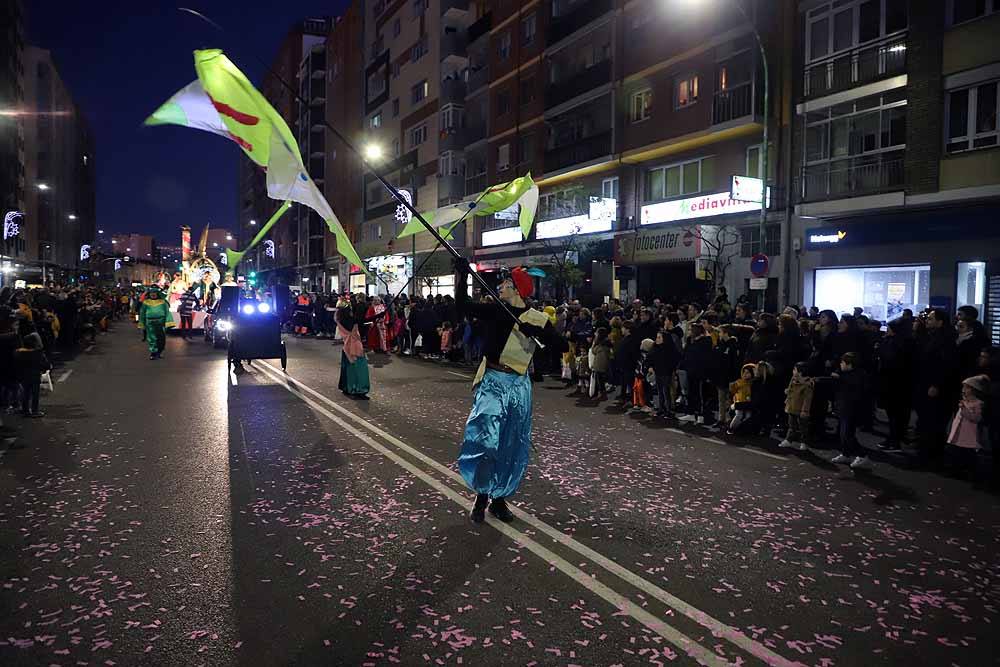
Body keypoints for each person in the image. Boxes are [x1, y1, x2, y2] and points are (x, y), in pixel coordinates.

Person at [453, 261, 567, 523]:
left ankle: (499, 499)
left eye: (505, 284)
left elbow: (561, 345)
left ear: (517, 289)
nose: (500, 287)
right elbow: (462, 306)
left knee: (510, 445)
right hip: (492, 381)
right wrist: (461, 275)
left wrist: (537, 331)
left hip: (517, 387)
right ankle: (481, 495)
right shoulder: (496, 310)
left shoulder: (536, 318)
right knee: (485, 440)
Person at [876, 319, 915, 452]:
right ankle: (894, 438)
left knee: (895, 413)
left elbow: (888, 358)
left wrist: (882, 345)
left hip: (894, 382)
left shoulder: (897, 343)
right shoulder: (906, 341)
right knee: (897, 414)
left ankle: (894, 441)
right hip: (899, 382)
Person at [830, 352, 873, 470]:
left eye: (842, 362)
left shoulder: (859, 376)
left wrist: (841, 379)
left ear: (849, 364)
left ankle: (862, 455)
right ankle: (845, 454)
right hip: (843, 408)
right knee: (842, 434)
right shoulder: (843, 373)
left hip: (852, 410)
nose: (840, 364)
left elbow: (858, 390)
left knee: (847, 434)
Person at [945, 374, 989, 479]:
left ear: (973, 390)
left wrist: (964, 410)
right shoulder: (964, 401)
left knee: (967, 454)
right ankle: (955, 470)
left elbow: (976, 418)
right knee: (956, 453)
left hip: (969, 435)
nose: (963, 390)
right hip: (959, 433)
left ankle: (972, 472)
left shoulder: (978, 404)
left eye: (966, 387)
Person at [335, 297, 370, 399]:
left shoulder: (340, 319)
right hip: (354, 346)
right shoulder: (349, 320)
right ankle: (357, 389)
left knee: (348, 369)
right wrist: (376, 316)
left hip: (347, 347)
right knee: (358, 369)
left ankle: (347, 387)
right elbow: (361, 321)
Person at [14, 332, 51, 418]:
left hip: (23, 376)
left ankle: (25, 410)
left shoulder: (19, 353)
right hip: (34, 376)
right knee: (35, 394)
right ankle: (35, 411)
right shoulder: (37, 354)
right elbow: (45, 365)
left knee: (25, 393)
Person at [779, 362, 814, 450]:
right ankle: (788, 440)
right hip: (792, 406)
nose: (793, 371)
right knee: (791, 425)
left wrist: (804, 410)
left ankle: (804, 442)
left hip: (801, 408)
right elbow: (790, 389)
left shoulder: (807, 384)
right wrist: (787, 392)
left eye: (794, 370)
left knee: (803, 427)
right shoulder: (793, 379)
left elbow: (807, 399)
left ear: (800, 372)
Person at [138, 286, 174, 360]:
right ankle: (153, 353)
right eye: (151, 293)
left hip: (161, 323)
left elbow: (167, 312)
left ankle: (159, 352)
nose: (153, 294)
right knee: (152, 338)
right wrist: (142, 323)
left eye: (154, 293)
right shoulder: (146, 302)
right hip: (150, 323)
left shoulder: (163, 302)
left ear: (157, 293)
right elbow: (142, 313)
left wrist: (169, 322)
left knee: (161, 338)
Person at [650, 330, 680, 418]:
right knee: (660, 391)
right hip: (658, 371)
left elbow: (675, 359)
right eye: (657, 337)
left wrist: (671, 368)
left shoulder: (670, 349)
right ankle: (661, 408)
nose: (657, 339)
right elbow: (650, 358)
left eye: (659, 337)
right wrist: (651, 366)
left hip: (667, 372)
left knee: (666, 391)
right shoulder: (655, 347)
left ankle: (668, 409)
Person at [728, 363, 755, 433]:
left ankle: (739, 428)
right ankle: (731, 428)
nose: (745, 374)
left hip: (747, 403)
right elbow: (733, 391)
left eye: (748, 373)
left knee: (748, 416)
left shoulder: (752, 383)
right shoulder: (739, 382)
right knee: (738, 415)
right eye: (744, 372)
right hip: (739, 401)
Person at [590, 328, 612, 401]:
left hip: (600, 365)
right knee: (601, 380)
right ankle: (601, 394)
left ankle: (602, 395)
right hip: (603, 364)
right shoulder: (606, 344)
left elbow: (593, 351)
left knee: (600, 381)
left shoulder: (601, 344)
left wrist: (593, 343)